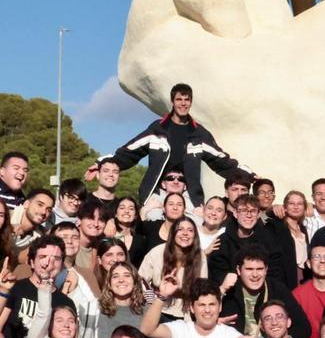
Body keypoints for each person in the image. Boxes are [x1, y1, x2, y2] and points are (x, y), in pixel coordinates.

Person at [93, 82, 252, 210]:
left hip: (188, 195)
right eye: (179, 100)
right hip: (157, 193)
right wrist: (101, 163)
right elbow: (129, 152)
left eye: (187, 100)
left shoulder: (199, 134)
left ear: (190, 102)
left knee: (195, 225)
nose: (183, 104)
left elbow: (221, 161)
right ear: (172, 101)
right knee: (153, 220)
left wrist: (248, 175)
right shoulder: (157, 129)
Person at [219, 246, 310, 338]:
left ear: (266, 269)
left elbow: (303, 328)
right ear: (238, 270)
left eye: (259, 269)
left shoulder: (277, 289)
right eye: (249, 269)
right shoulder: (228, 290)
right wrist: (221, 291)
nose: (255, 275)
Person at [208, 194, 288, 288]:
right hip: (232, 294)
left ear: (258, 214)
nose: (248, 215)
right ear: (235, 213)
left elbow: (276, 271)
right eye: (243, 211)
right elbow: (219, 275)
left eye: (253, 211)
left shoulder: (269, 240)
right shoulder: (223, 242)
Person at [138, 216, 207, 320]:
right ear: (173, 233)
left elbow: (202, 287)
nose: (185, 233)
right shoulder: (157, 252)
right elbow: (140, 279)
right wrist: (152, 299)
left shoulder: (200, 256)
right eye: (180, 229)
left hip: (186, 314)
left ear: (195, 236)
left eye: (190, 230)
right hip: (158, 309)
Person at [96, 261, 148, 338]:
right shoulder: (96, 308)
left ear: (135, 281)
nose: (121, 280)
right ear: (109, 284)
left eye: (127, 275)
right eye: (115, 276)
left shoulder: (147, 311)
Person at [105, 196, 148, 266]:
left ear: (136, 215)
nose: (126, 211)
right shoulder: (107, 236)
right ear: (115, 213)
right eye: (122, 208)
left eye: (131, 209)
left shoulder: (140, 241)